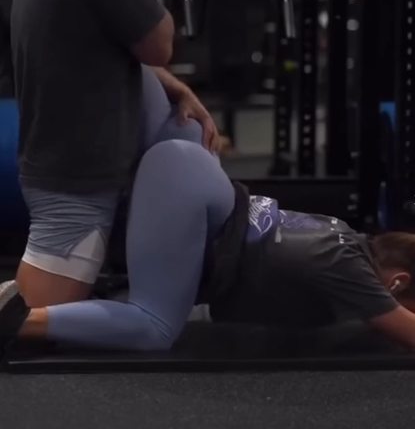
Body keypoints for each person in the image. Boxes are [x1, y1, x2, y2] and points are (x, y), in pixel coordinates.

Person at [10, 0, 219, 309]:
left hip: (67, 162)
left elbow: (97, 45)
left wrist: (174, 87)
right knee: (36, 316)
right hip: (76, 176)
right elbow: (159, 46)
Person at [2, 138, 415, 353]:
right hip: (182, 193)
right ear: (398, 282)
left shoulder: (345, 235)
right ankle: (13, 321)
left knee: (153, 300)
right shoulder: (351, 270)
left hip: (189, 169)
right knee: (154, 328)